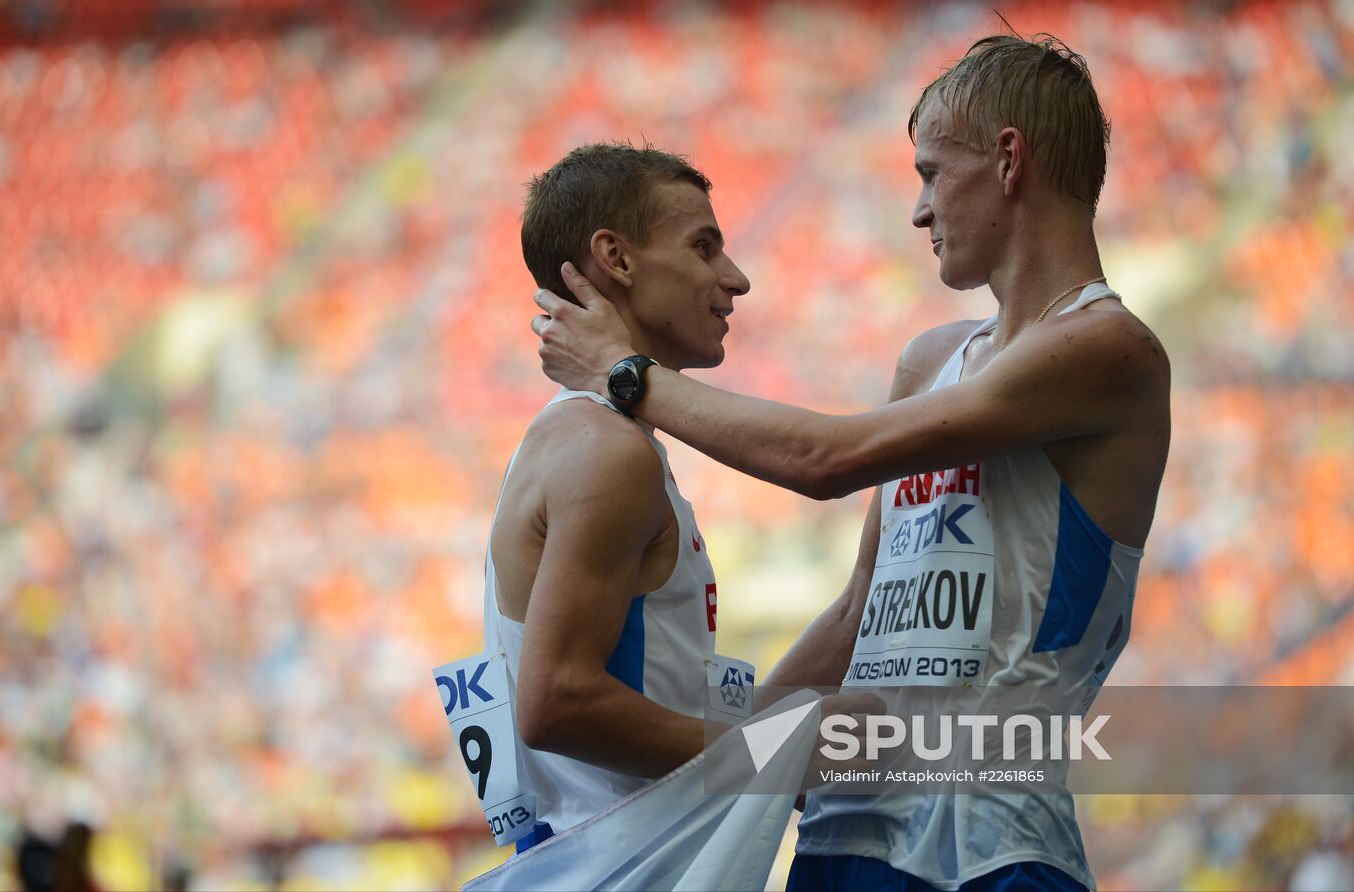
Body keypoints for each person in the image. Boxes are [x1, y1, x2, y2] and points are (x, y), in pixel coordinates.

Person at [530, 32, 1170, 892]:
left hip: (986, 844)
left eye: (932, 173)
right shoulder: (931, 360)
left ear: (1009, 160)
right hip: (843, 837)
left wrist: (627, 375)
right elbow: (857, 614)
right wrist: (723, 767)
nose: (919, 209)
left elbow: (825, 459)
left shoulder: (1110, 351)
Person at [489, 142, 751, 852]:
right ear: (618, 259)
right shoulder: (608, 453)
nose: (737, 279)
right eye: (704, 248)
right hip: (613, 860)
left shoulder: (583, 437)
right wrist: (766, 759)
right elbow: (558, 703)